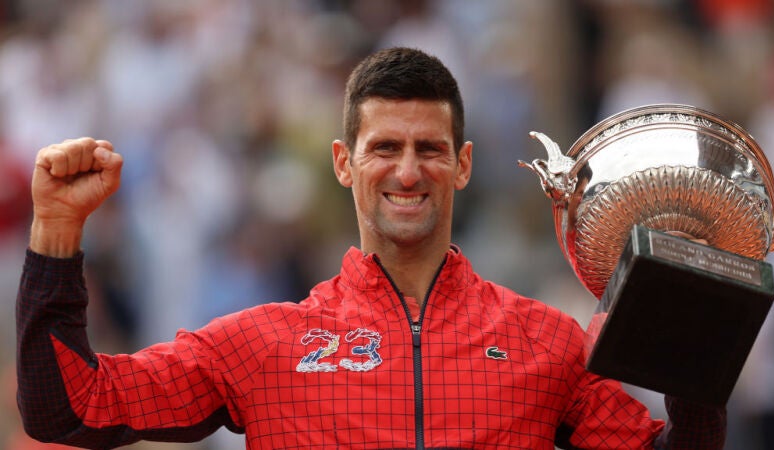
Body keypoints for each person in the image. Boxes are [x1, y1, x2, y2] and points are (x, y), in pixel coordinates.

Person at [16, 47, 726, 449]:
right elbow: (71, 406)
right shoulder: (262, 346)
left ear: (463, 165)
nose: (408, 172)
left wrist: (696, 308)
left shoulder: (546, 344)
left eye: (430, 149)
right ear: (343, 163)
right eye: (385, 147)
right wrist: (55, 230)